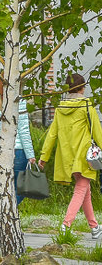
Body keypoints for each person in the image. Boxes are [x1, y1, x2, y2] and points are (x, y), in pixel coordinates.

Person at [39, 73, 102, 239]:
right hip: (85, 157)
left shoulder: (60, 108)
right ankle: (66, 225)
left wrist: (44, 157)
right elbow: (97, 131)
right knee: (81, 189)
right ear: (82, 88)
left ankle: (94, 227)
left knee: (84, 190)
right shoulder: (86, 105)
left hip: (67, 157)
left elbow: (52, 134)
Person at [0, 80, 36, 207]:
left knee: (4, 186)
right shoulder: (19, 102)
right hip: (18, 150)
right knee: (21, 188)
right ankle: (10, 212)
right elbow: (24, 131)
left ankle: (3, 213)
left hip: (0, 149)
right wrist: (30, 154)